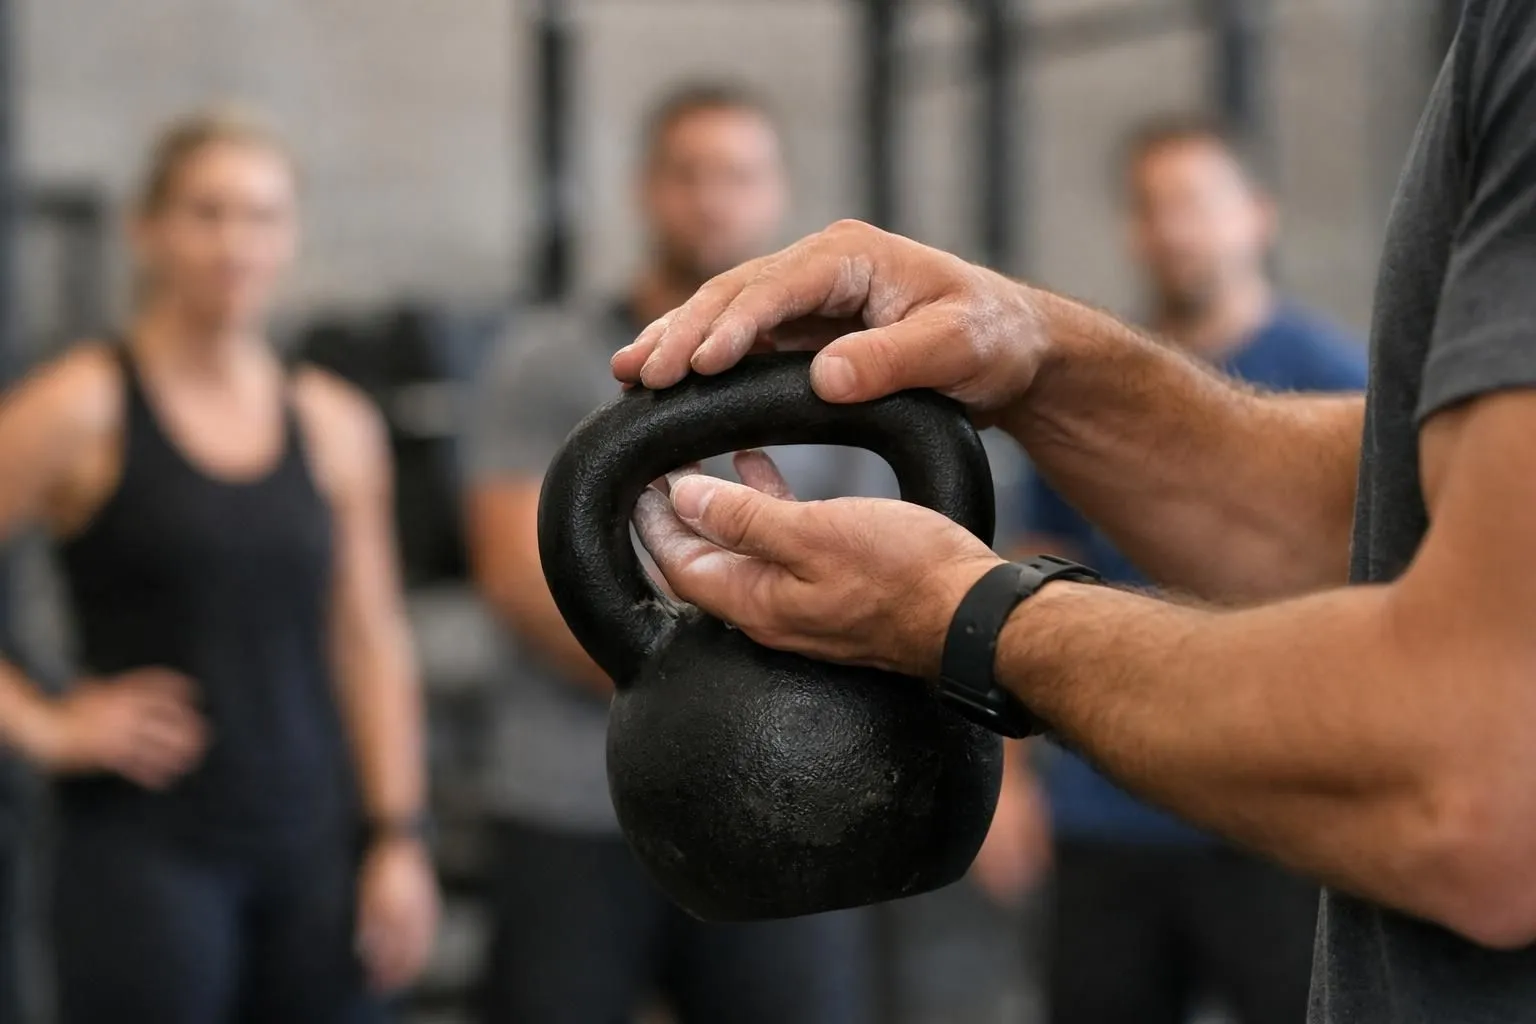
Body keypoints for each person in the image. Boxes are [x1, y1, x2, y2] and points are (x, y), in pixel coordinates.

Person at [615, 2, 1536, 1019]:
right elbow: (1364, 526)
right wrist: (1039, 357)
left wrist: (966, 620)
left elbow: (1482, 789)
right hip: (1121, 817)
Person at [0, 109, 439, 1023]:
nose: (235, 243)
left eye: (261, 216)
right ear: (146, 228)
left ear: (290, 236)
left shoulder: (334, 423)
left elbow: (371, 639)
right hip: (143, 848)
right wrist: (45, 726)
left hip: (313, 837)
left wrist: (398, 835)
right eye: (207, 213)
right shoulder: (80, 407)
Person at [465, 83, 875, 1024]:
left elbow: (889, 579)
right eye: (686, 174)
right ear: (646, 191)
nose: (710, 198)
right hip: (570, 802)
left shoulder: (844, 377)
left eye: (736, 174)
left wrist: (722, 710)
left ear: (774, 194)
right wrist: (702, 697)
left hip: (785, 800)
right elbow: (519, 577)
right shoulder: (544, 360)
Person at [967, 116, 1366, 1024]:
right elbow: (1038, 567)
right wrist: (1010, 780)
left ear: (1256, 216)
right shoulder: (1090, 391)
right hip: (1111, 810)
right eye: (1153, 207)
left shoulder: (1338, 381)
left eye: (1195, 202)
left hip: (1276, 823)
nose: (1174, 228)